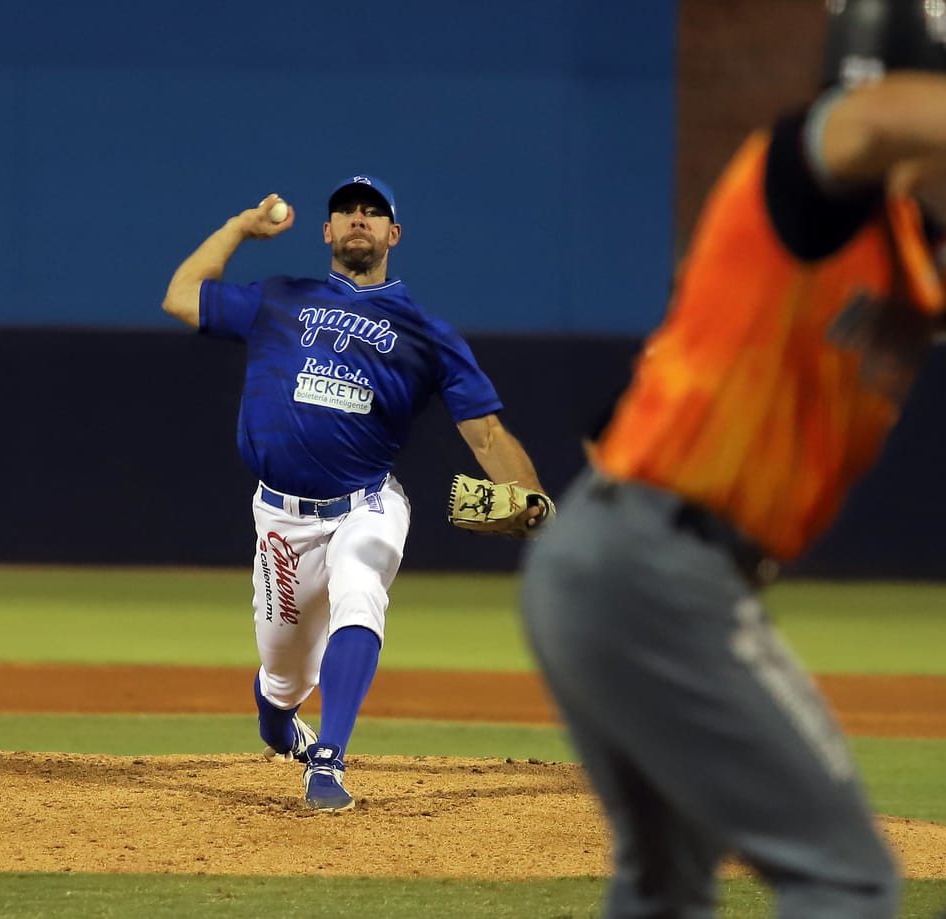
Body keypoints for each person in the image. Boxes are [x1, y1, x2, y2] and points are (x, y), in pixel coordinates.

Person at [520, 1, 946, 916]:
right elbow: (863, 120)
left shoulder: (904, 246)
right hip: (652, 566)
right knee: (849, 877)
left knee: (663, 884)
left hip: (619, 566)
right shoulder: (811, 179)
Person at [162, 174, 547, 812]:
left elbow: (486, 434)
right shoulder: (280, 298)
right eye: (346, 211)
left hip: (365, 505)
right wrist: (239, 228)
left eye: (373, 212)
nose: (358, 219)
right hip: (279, 518)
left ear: (393, 234)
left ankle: (329, 761)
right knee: (284, 676)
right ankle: (280, 724)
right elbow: (182, 296)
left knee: (361, 586)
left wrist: (534, 503)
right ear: (327, 231)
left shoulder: (427, 333)